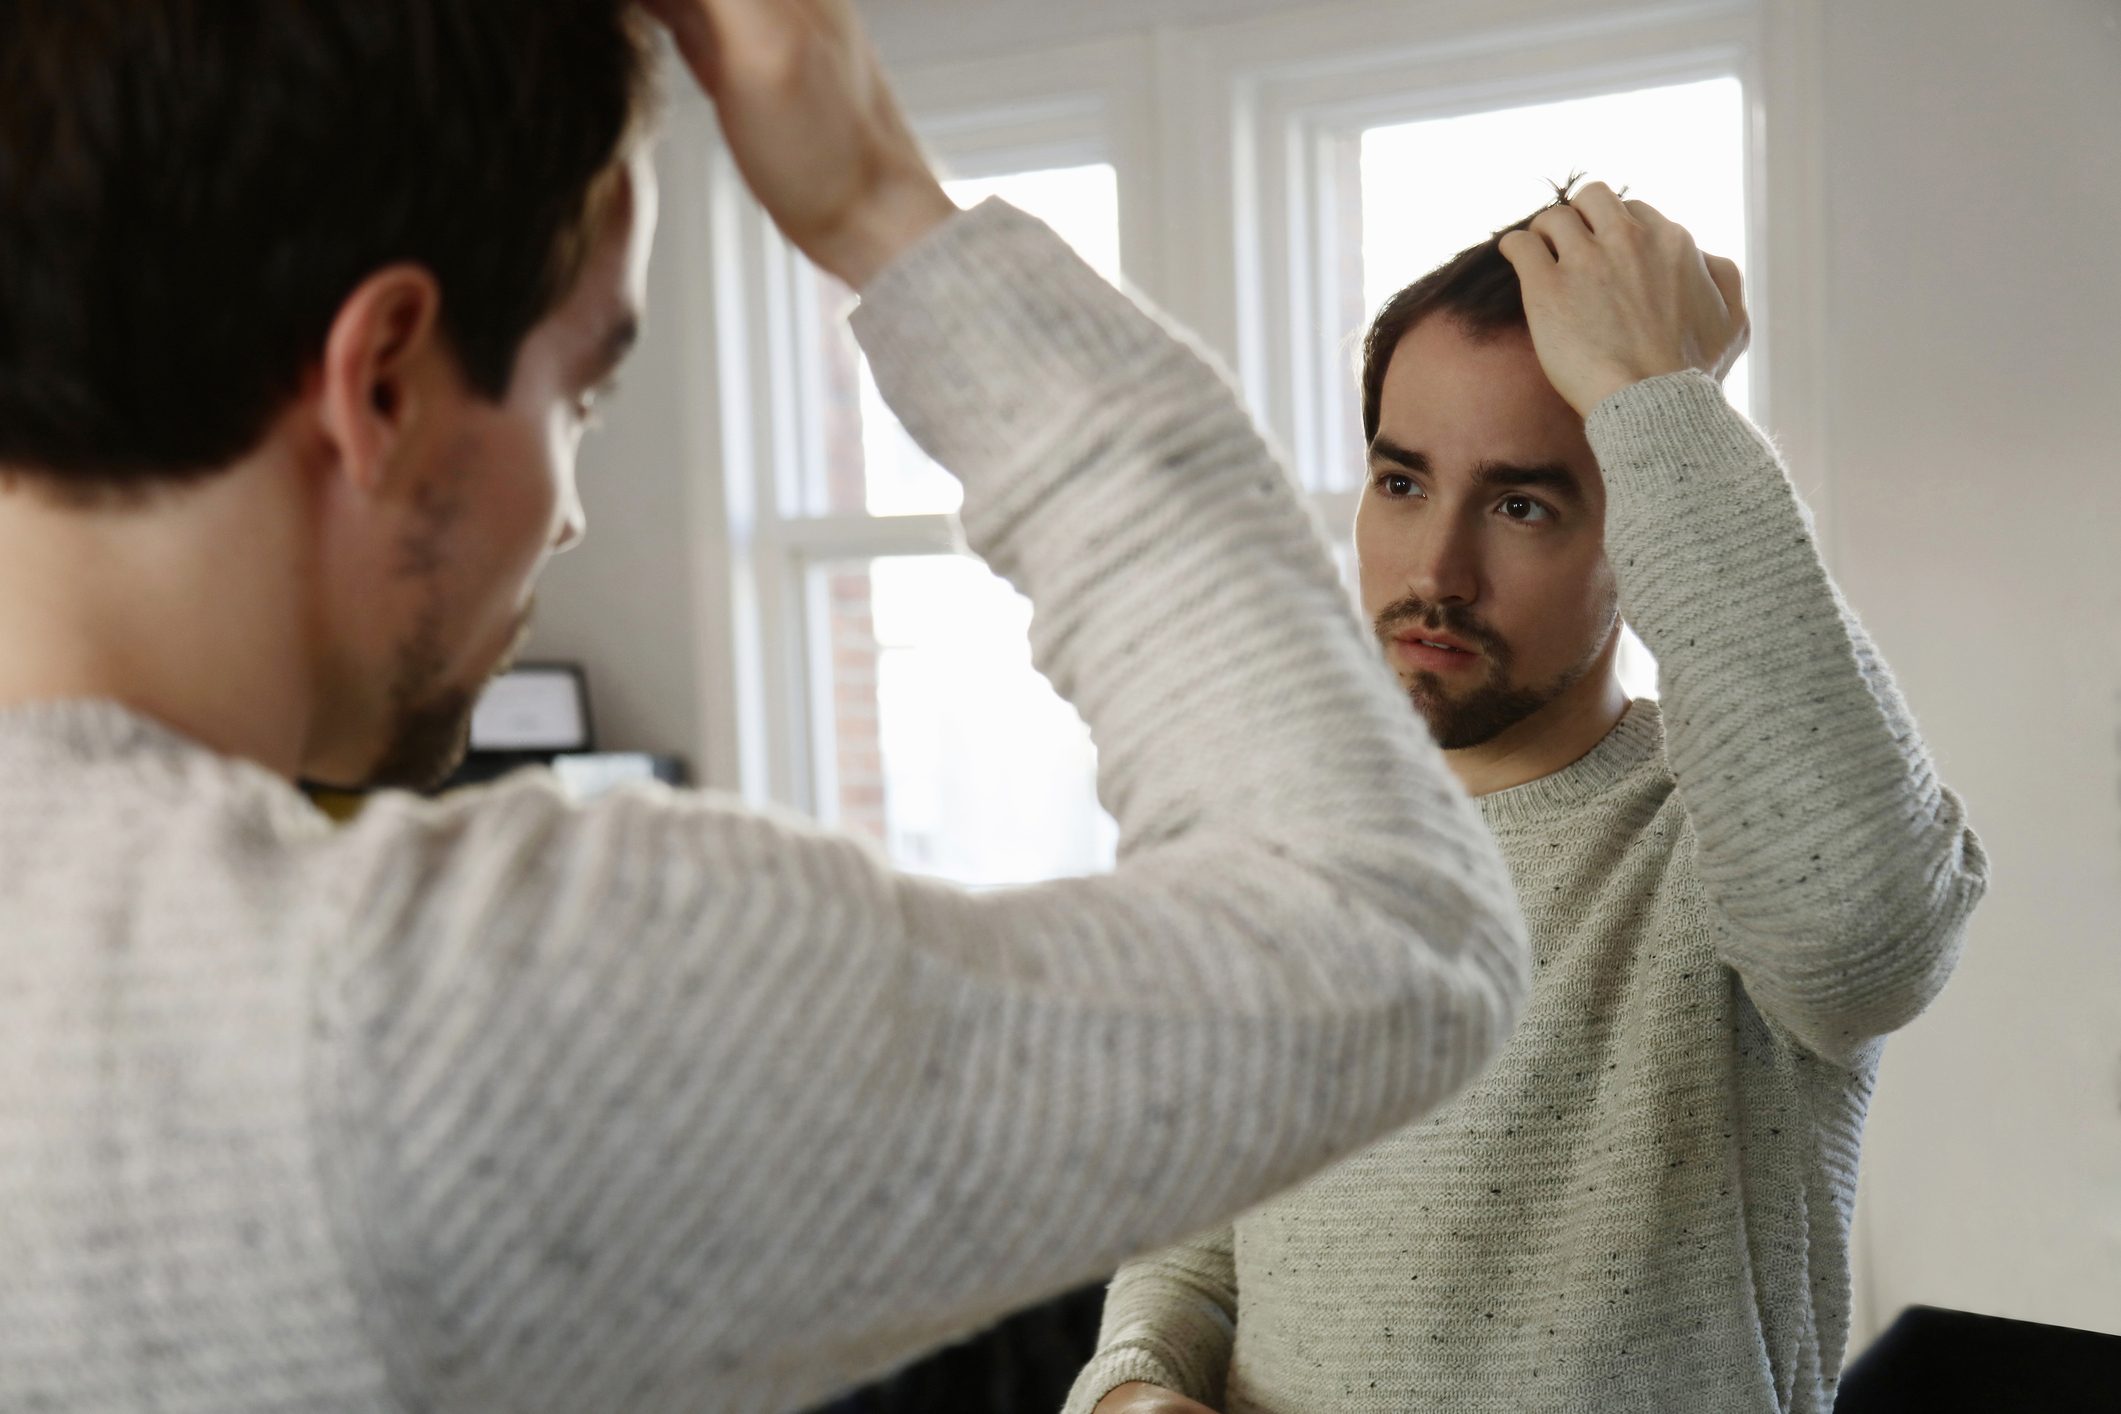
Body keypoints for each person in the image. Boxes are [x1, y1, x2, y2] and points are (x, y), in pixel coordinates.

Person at [0, 1, 1533, 1410]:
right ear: (383, 380)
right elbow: (1392, 933)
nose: (575, 514)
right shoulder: (416, 1025)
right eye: (578, 395)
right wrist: (877, 199)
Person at [1070, 184, 1988, 1414]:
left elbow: (1869, 936)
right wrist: (1135, 1390)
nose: (1434, 571)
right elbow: (1199, 1237)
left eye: (1521, 504)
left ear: (1639, 529)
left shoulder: (1722, 834)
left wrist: (1654, 397)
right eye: (1401, 483)